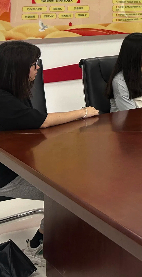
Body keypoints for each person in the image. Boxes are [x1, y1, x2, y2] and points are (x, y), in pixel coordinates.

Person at [0, 41, 99, 244]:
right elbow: (42, 121)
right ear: (17, 69)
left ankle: (47, 238)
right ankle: (42, 243)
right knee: (71, 193)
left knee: (78, 175)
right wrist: (84, 111)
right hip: (7, 174)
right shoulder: (3, 100)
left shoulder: (14, 90)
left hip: (23, 158)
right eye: (33, 64)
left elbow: (31, 123)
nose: (38, 68)